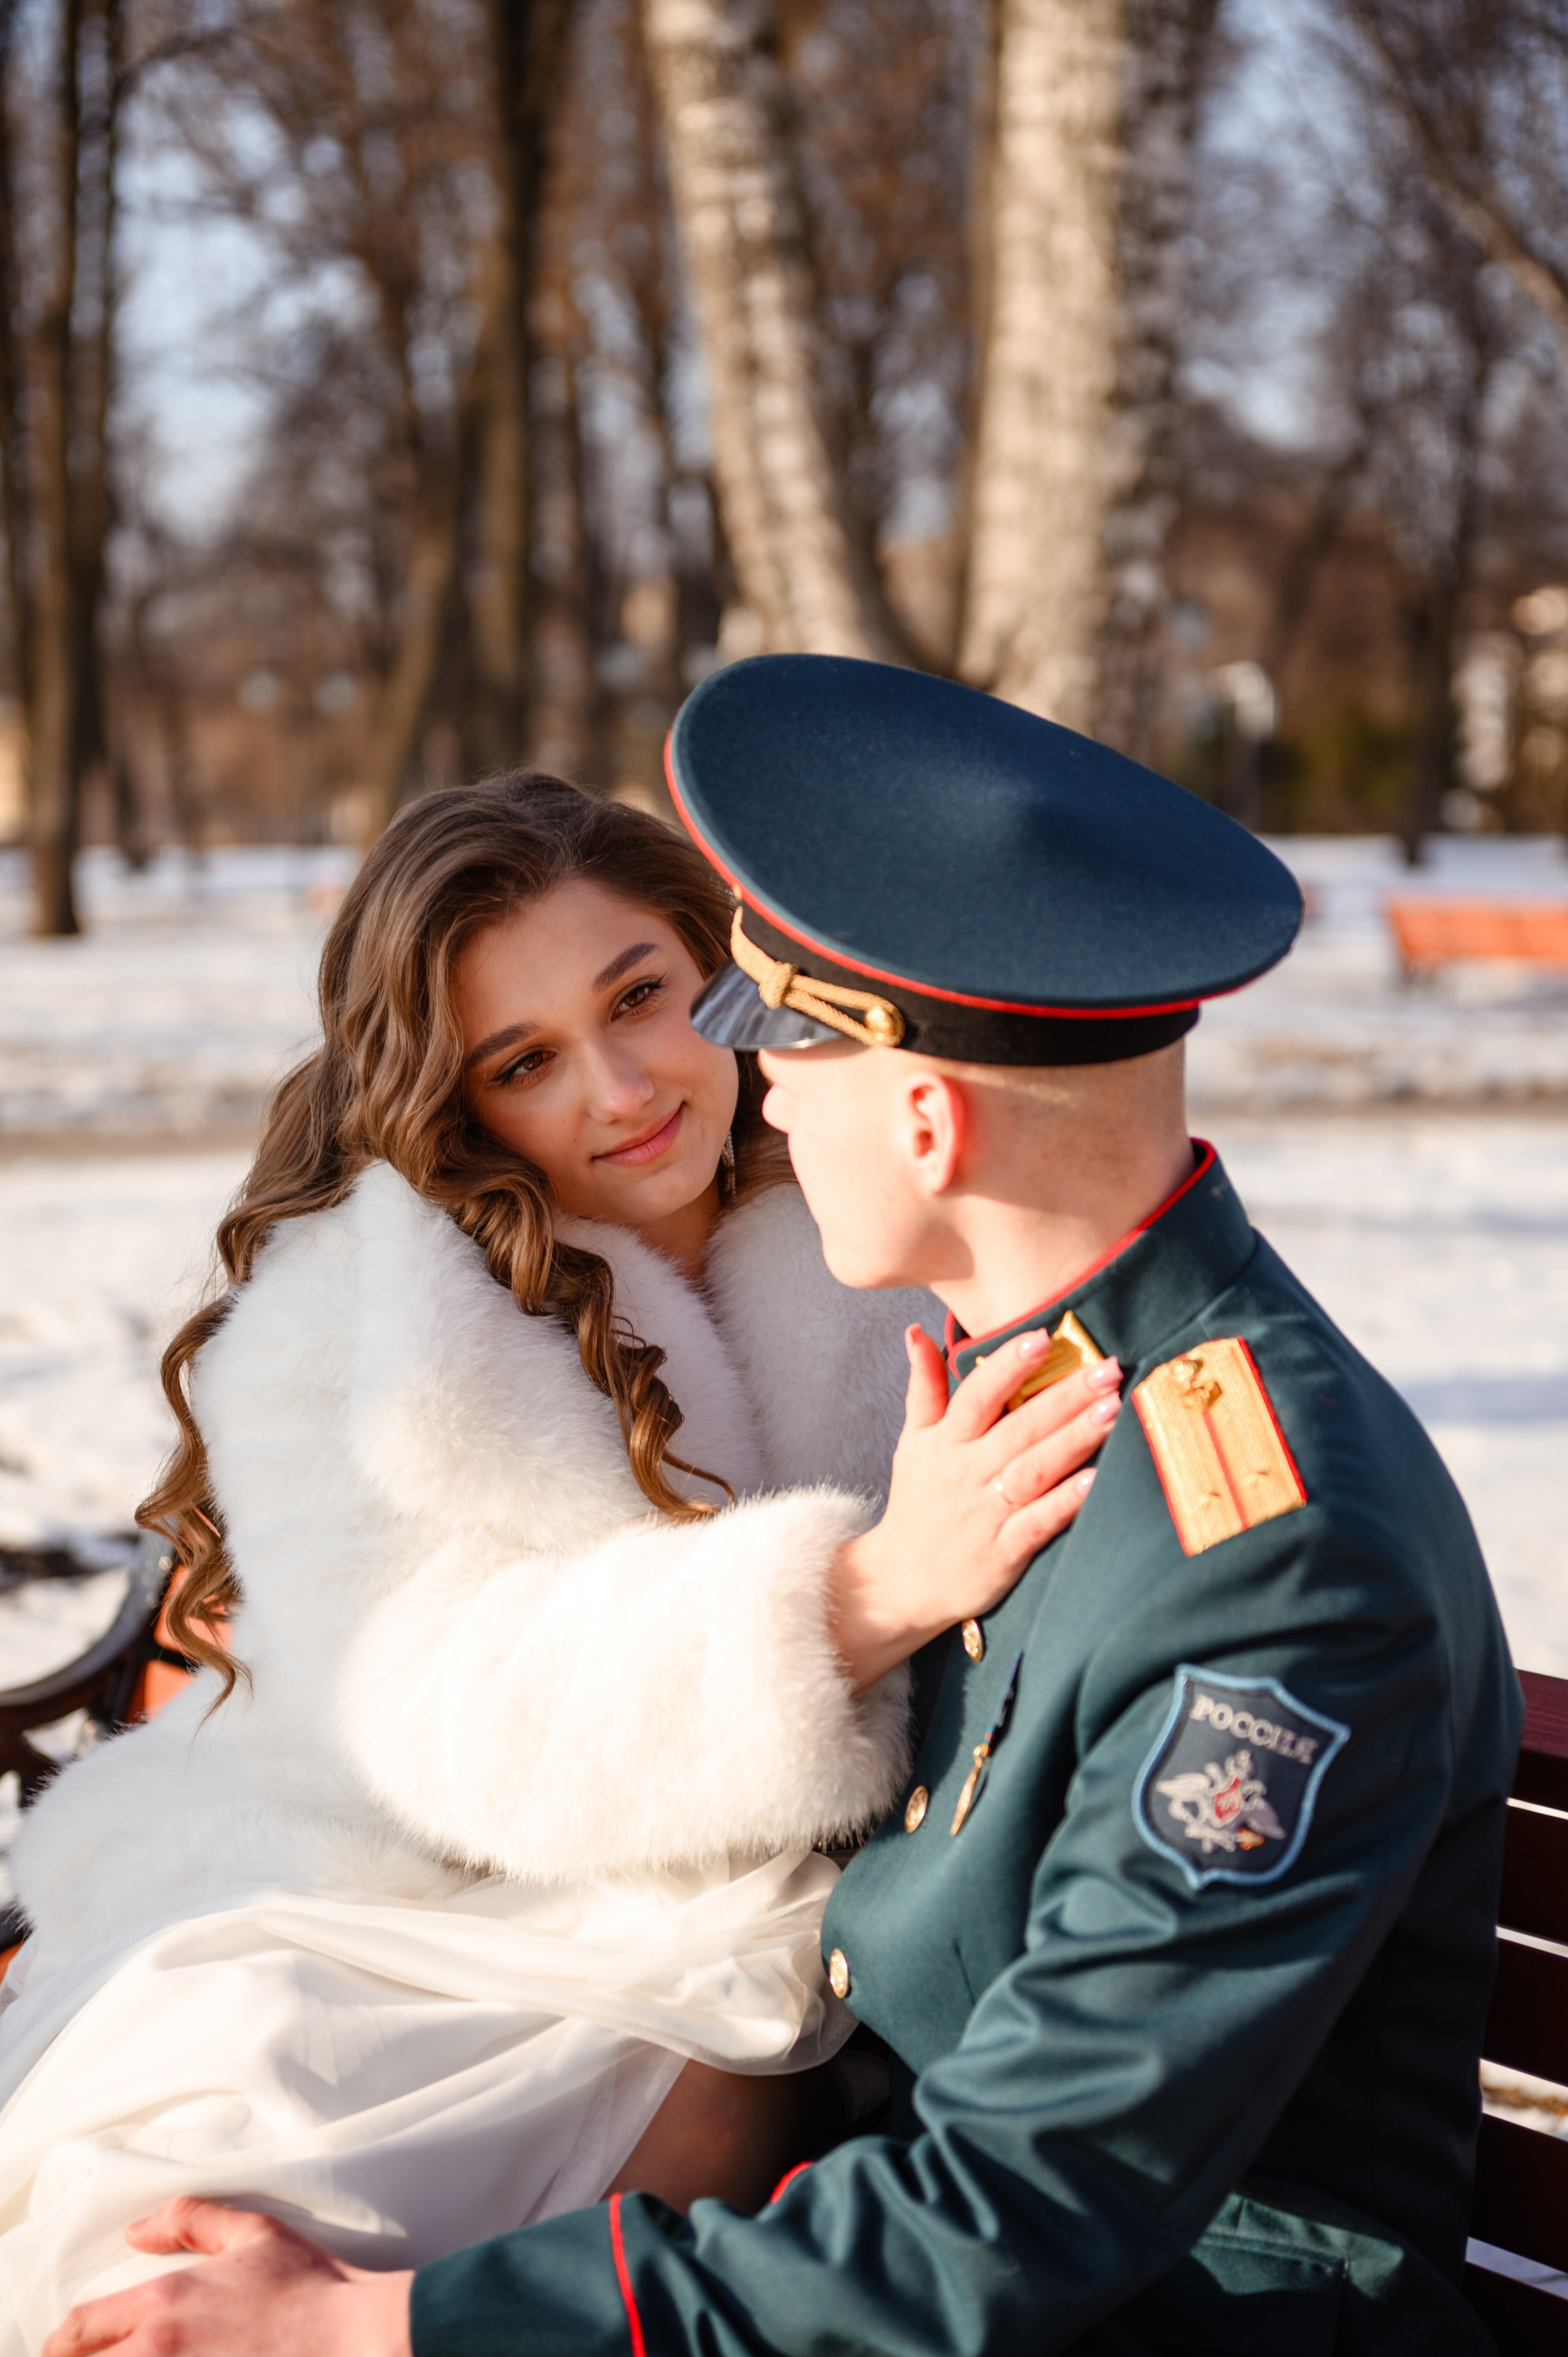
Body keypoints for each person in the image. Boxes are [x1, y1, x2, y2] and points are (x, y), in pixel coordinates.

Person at [41, 658, 1521, 2357]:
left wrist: (382, 2330)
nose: (740, 1101)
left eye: (772, 1044)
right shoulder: (1034, 1385)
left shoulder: (1267, 1560)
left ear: (922, 1113)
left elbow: (1023, 2214)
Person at [0, 773, 1107, 2349]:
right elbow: (437, 1712)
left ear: (715, 962)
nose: (620, 1088)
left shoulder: (870, 1214)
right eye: (525, 1061)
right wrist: (850, 1602)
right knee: (193, 2220)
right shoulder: (363, 1321)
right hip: (382, 1891)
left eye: (640, 997)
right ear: (454, 1102)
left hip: (749, 1935)